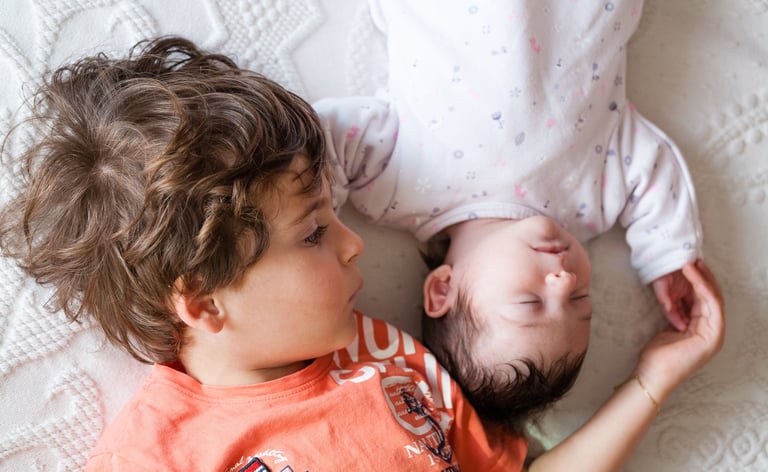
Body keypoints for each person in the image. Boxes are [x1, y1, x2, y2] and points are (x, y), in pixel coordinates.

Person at [0, 36, 724, 472]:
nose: (354, 245)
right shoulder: (164, 445)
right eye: (314, 233)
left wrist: (652, 384)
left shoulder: (394, 358)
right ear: (202, 300)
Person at [314, 0, 712, 434]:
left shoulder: (393, 188)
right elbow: (653, 165)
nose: (565, 281)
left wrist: (313, 234)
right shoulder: (594, 202)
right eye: (581, 300)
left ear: (443, 289)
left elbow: (326, 140)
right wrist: (668, 256)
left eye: (530, 302)